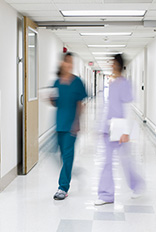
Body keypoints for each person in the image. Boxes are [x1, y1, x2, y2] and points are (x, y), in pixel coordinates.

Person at [95, 54, 144, 206]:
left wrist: (126, 131)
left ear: (119, 65)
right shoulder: (111, 83)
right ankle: (106, 195)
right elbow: (108, 106)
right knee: (107, 162)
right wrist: (100, 126)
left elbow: (128, 107)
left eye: (114, 64)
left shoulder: (124, 84)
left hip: (120, 129)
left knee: (126, 161)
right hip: (108, 128)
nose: (112, 66)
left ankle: (137, 185)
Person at [50, 52, 87, 200]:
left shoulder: (77, 82)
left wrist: (78, 122)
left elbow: (80, 104)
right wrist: (50, 99)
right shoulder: (57, 82)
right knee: (59, 155)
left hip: (71, 125)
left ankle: (63, 187)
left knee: (67, 155)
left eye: (71, 62)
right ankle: (71, 171)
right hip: (59, 124)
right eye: (67, 62)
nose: (69, 65)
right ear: (62, 63)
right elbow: (55, 102)